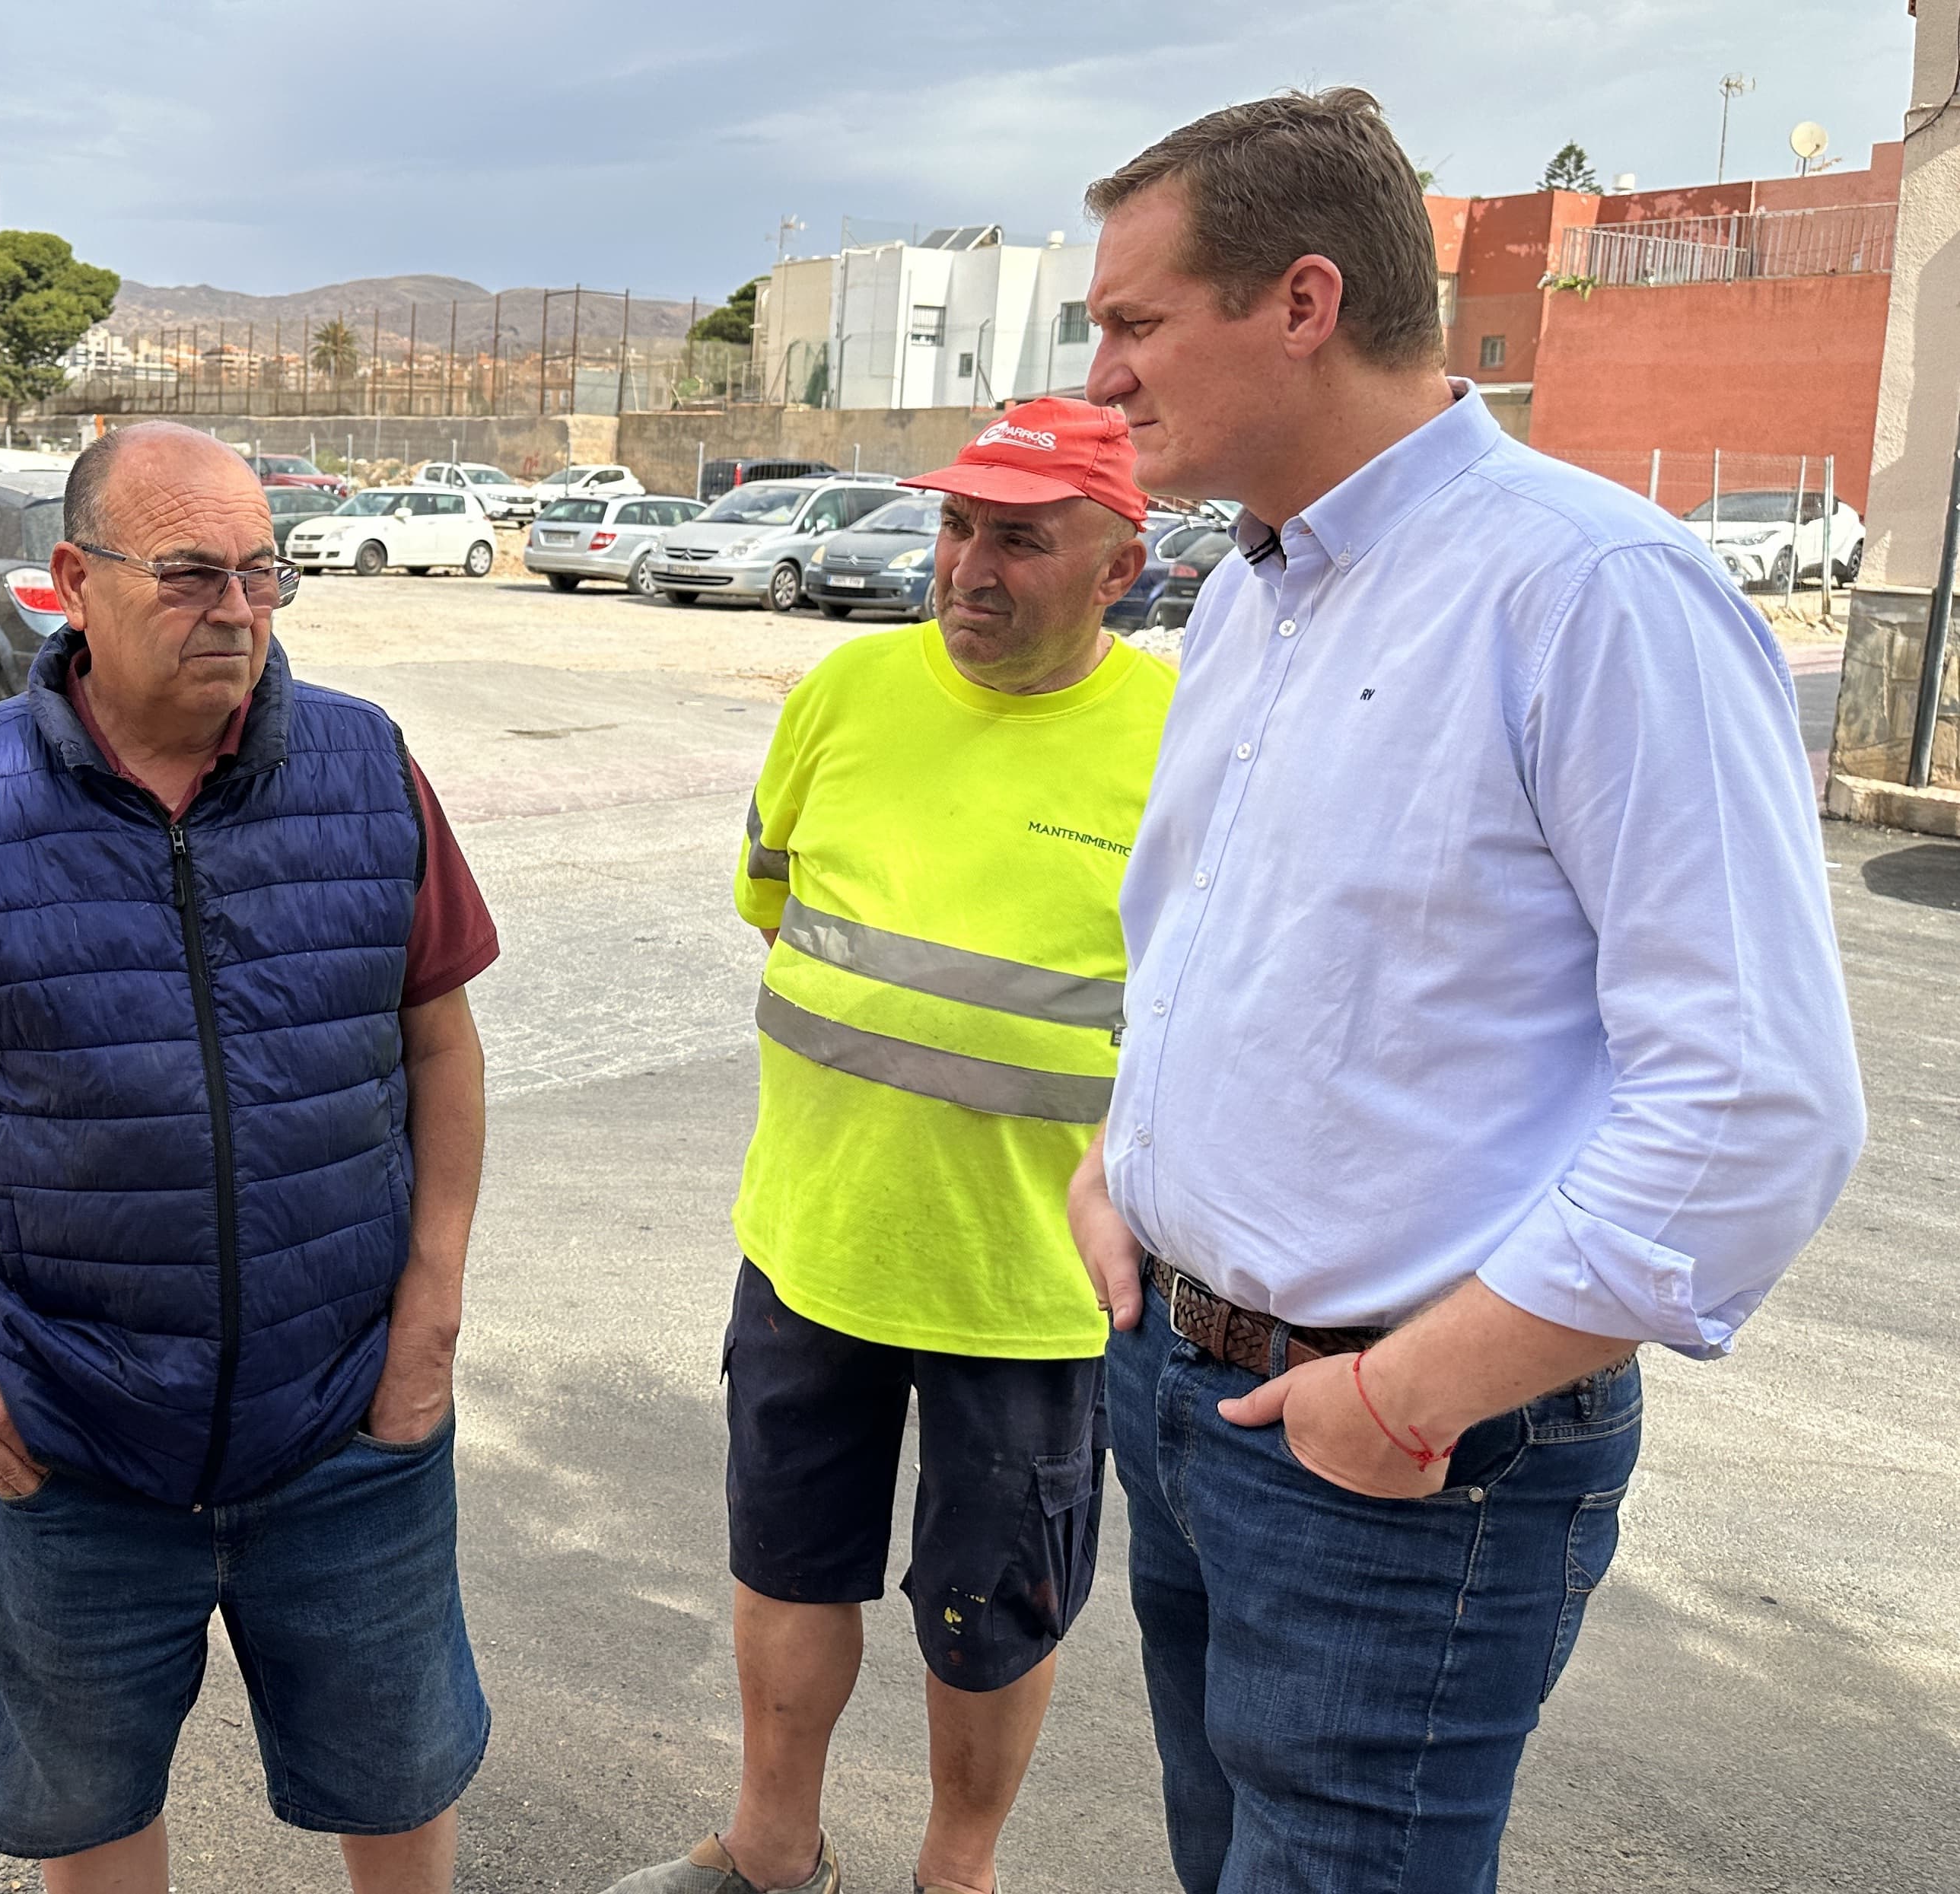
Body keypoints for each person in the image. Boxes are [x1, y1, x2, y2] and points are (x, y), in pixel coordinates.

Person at [1068, 90, 1867, 1892]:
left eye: (1131, 322)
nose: (1102, 379)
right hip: (1184, 1390)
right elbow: (1238, 949)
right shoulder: (1245, 600)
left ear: (1299, 301)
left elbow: (1751, 1104)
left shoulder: (1589, 593)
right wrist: (1128, 1165)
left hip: (1400, 1459)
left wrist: (1411, 1391)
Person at [0, 421, 498, 1892]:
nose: (239, 611)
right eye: (192, 573)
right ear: (70, 579)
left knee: (399, 1772)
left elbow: (439, 1042)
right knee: (85, 1807)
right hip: (71, 1430)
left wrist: (429, 1309)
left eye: (264, 572)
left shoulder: (367, 766)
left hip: (347, 1418)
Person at [603, 400, 1169, 1894]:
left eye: (1019, 541)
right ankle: (767, 1853)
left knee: (994, 1610)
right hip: (812, 1239)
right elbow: (770, 893)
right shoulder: (846, 688)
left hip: (1036, 1286)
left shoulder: (1177, 747)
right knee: (784, 1569)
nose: (968, 568)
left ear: (1116, 568)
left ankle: (953, 1876)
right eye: (956, 527)